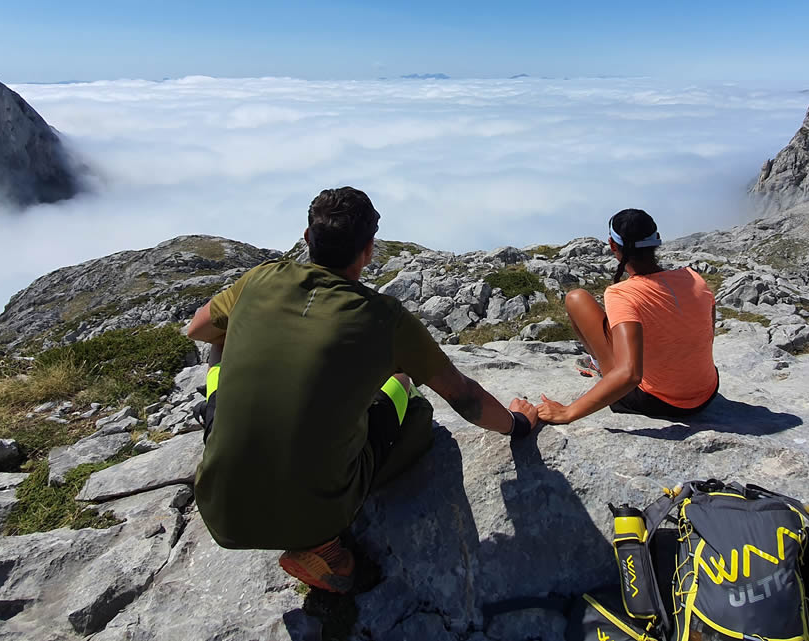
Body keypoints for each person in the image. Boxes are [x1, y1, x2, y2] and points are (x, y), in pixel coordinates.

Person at [187, 186, 539, 594]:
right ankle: (325, 549)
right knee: (411, 398)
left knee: (219, 342)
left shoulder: (261, 277)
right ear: (369, 250)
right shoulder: (384, 318)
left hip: (218, 508)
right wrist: (518, 425)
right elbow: (465, 398)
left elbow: (198, 329)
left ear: (306, 239)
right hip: (316, 516)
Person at [536, 208, 719, 425]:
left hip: (657, 401)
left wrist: (567, 413)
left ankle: (598, 364)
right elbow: (704, 335)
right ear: (657, 240)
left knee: (576, 299)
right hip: (708, 393)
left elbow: (630, 374)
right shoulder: (694, 278)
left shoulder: (623, 294)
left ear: (613, 245)